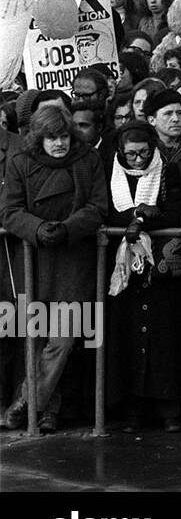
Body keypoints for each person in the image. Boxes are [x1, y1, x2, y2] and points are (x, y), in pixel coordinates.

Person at [0, 106, 109, 434]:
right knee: (34, 340)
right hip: (34, 261)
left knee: (61, 340)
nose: (59, 143)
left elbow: (98, 206)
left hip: (73, 259)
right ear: (38, 137)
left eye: (63, 136)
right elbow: (9, 210)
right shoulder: (22, 162)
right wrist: (37, 228)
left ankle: (27, 400)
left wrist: (67, 228)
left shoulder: (87, 160)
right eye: (51, 137)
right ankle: (48, 411)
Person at [105, 121, 181, 433]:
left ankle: (168, 408)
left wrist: (148, 217)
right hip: (123, 267)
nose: (138, 160)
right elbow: (107, 212)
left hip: (158, 266)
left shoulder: (168, 170)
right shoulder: (110, 172)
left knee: (163, 338)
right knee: (126, 338)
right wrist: (135, 215)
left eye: (144, 153)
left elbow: (175, 211)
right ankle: (132, 409)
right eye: (131, 155)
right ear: (120, 153)